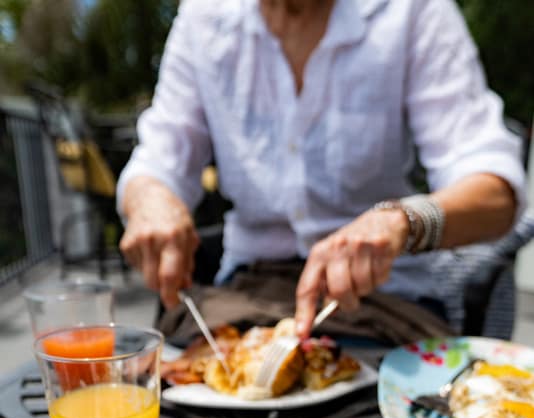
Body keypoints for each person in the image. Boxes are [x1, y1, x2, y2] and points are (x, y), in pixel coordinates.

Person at [117, 0, 526, 343]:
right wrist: (152, 200)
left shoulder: (410, 11)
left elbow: (494, 191)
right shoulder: (202, 18)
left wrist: (404, 222)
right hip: (244, 295)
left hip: (385, 302)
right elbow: (159, 157)